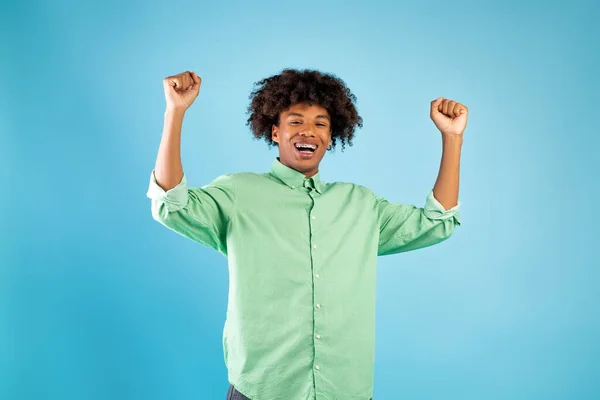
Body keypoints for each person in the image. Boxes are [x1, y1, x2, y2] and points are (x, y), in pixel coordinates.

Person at [146, 68, 467, 400]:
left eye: (321, 124)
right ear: (274, 132)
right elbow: (171, 204)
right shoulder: (239, 193)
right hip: (263, 390)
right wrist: (175, 110)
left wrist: (452, 137)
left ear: (331, 137)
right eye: (295, 121)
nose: (308, 132)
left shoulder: (360, 204)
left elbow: (436, 222)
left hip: (346, 390)